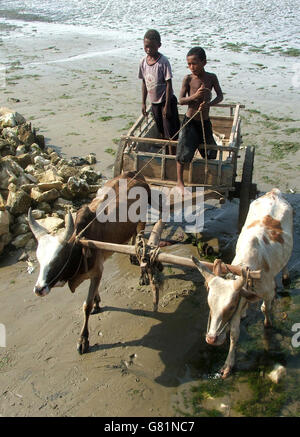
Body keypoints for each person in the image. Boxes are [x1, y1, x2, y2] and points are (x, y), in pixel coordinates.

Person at [176, 46, 223, 191]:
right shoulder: (188, 79)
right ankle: (180, 181)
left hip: (204, 121)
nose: (192, 67)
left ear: (204, 62)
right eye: (189, 64)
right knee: (182, 152)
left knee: (211, 152)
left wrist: (209, 104)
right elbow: (181, 100)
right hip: (190, 121)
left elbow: (220, 96)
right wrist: (195, 97)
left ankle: (208, 178)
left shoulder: (211, 77)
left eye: (195, 63)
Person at [138, 29, 180, 154]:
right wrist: (143, 103)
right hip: (154, 103)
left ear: (159, 46)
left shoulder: (163, 62)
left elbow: (169, 84)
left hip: (166, 101)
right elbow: (144, 83)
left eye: (152, 46)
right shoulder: (143, 62)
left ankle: (172, 156)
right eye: (146, 46)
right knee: (161, 130)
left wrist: (167, 106)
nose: (149, 49)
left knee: (171, 132)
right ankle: (166, 153)